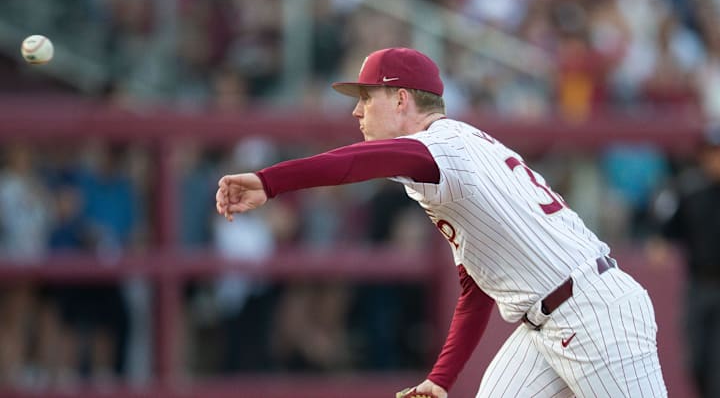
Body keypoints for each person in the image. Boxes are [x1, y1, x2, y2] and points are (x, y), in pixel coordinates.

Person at [215, 47, 667, 397]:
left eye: (365, 99)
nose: (356, 112)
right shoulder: (456, 155)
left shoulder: (442, 147)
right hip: (548, 321)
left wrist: (270, 181)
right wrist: (442, 378)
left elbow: (354, 164)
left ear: (401, 99)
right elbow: (475, 289)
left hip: (590, 312)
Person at [650, 127, 720, 398]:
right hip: (699, 285)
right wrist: (659, 241)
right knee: (697, 360)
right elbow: (666, 229)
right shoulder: (689, 191)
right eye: (712, 154)